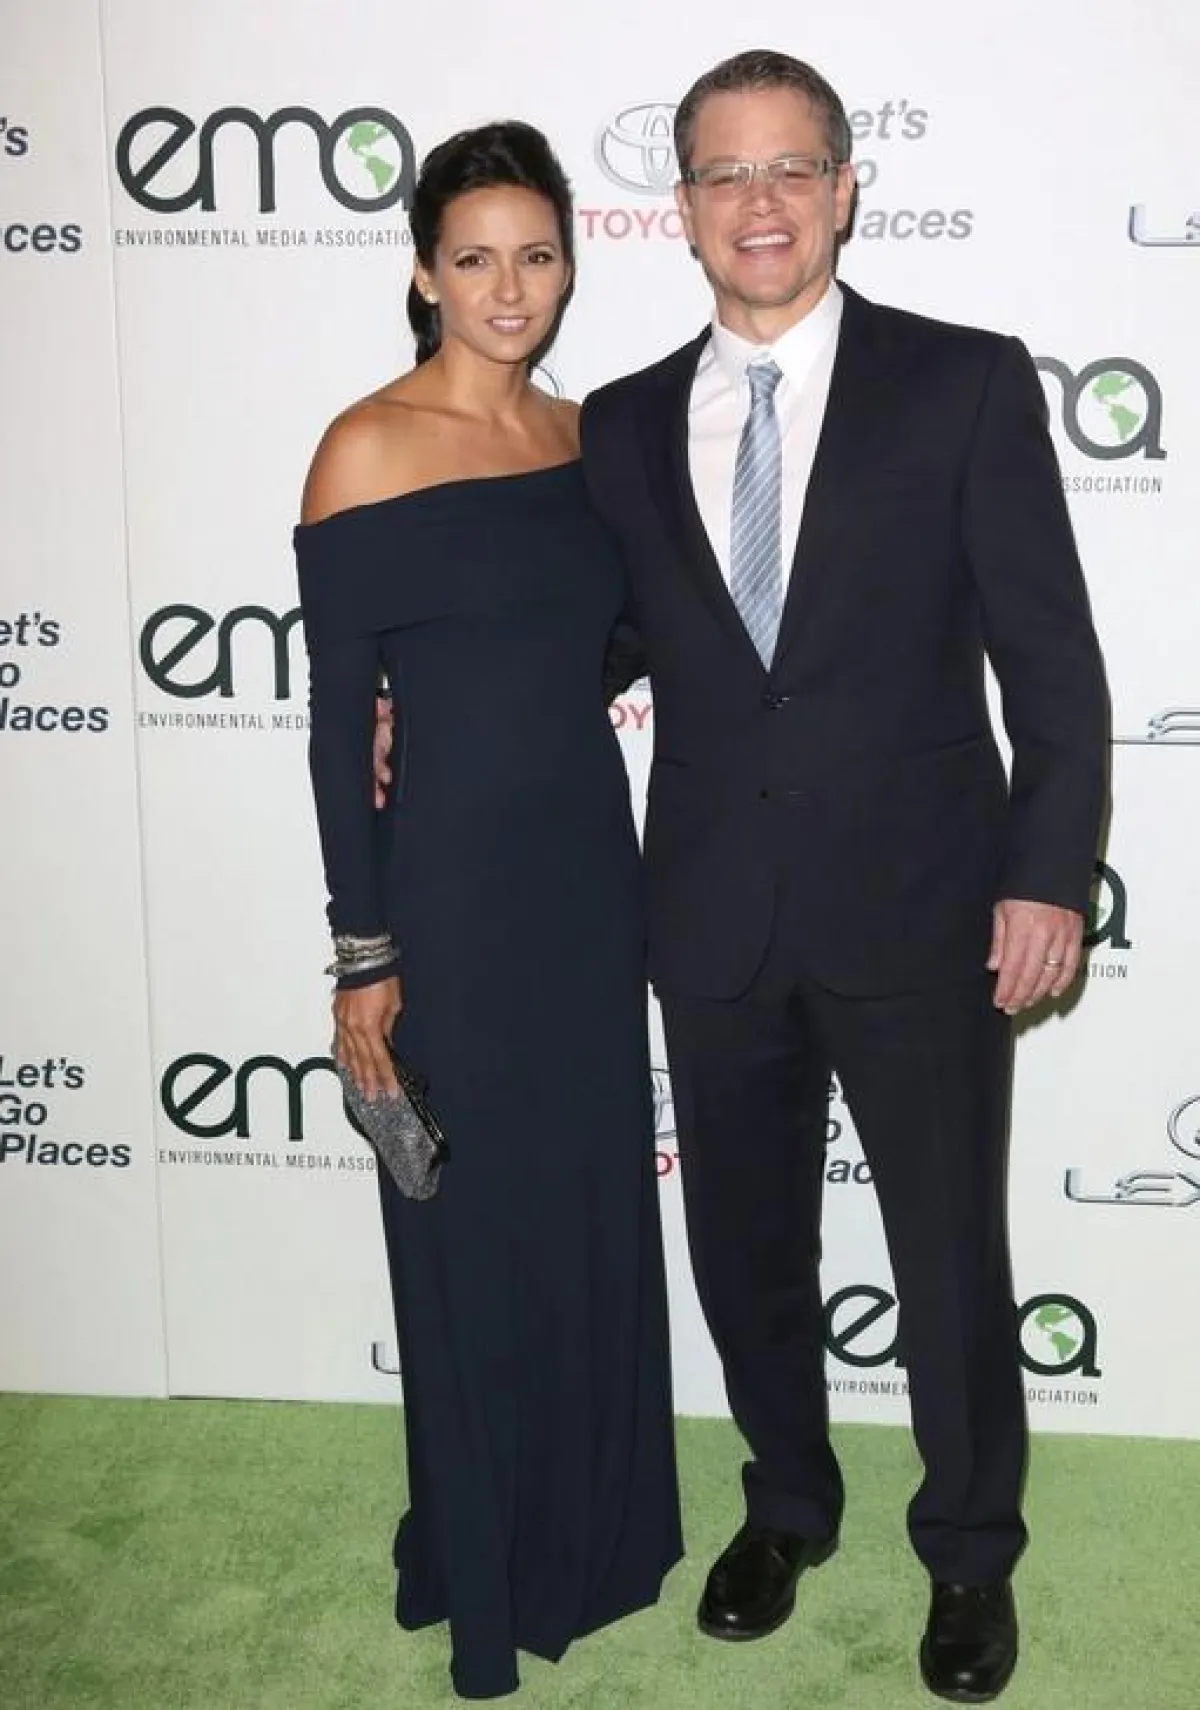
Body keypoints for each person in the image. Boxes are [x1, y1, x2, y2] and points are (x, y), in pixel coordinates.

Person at [576, 49, 1110, 1704]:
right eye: (726, 174)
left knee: (947, 1255)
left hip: (926, 908)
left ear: (844, 189)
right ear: (682, 206)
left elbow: (1054, 660)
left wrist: (1048, 875)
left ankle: (970, 1549)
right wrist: (419, 705)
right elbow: (591, 644)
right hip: (712, 913)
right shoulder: (620, 423)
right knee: (745, 1252)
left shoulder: (962, 383)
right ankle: (787, 1506)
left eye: (791, 169)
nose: (761, 203)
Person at [294, 121, 682, 1702]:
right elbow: (337, 727)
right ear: (422, 273)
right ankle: (482, 1555)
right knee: (464, 1230)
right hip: (445, 900)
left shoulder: (589, 443)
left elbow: (619, 637)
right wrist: (364, 951)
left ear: (568, 267)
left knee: (584, 1207)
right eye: (474, 258)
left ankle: (593, 1534)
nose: (508, 287)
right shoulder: (364, 448)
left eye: (535, 255)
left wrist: (513, 691)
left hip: (587, 877)